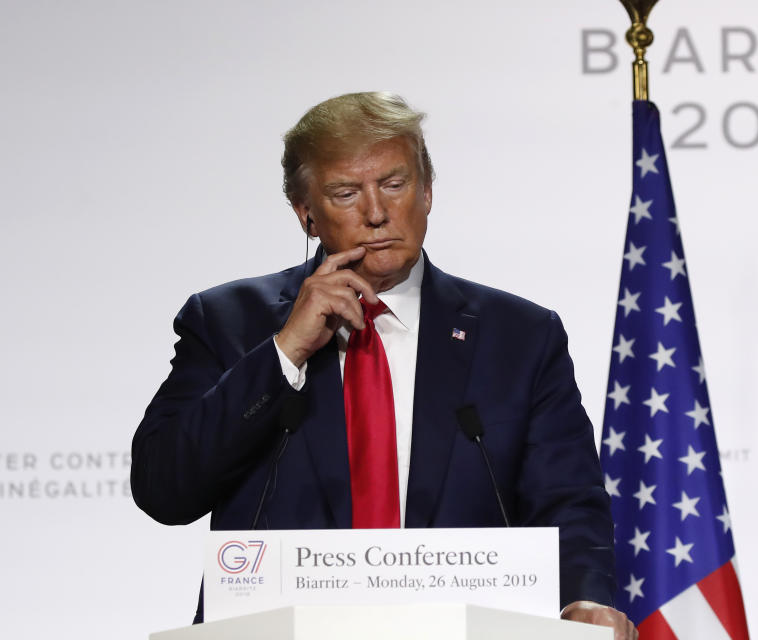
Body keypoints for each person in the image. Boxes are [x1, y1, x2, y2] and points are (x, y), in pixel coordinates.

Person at [131, 92, 636, 639]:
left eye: (394, 184)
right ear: (306, 214)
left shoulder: (520, 337)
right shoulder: (227, 322)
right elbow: (164, 489)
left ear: (427, 191)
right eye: (346, 193)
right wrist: (283, 354)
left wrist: (584, 598)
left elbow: (567, 501)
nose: (376, 213)